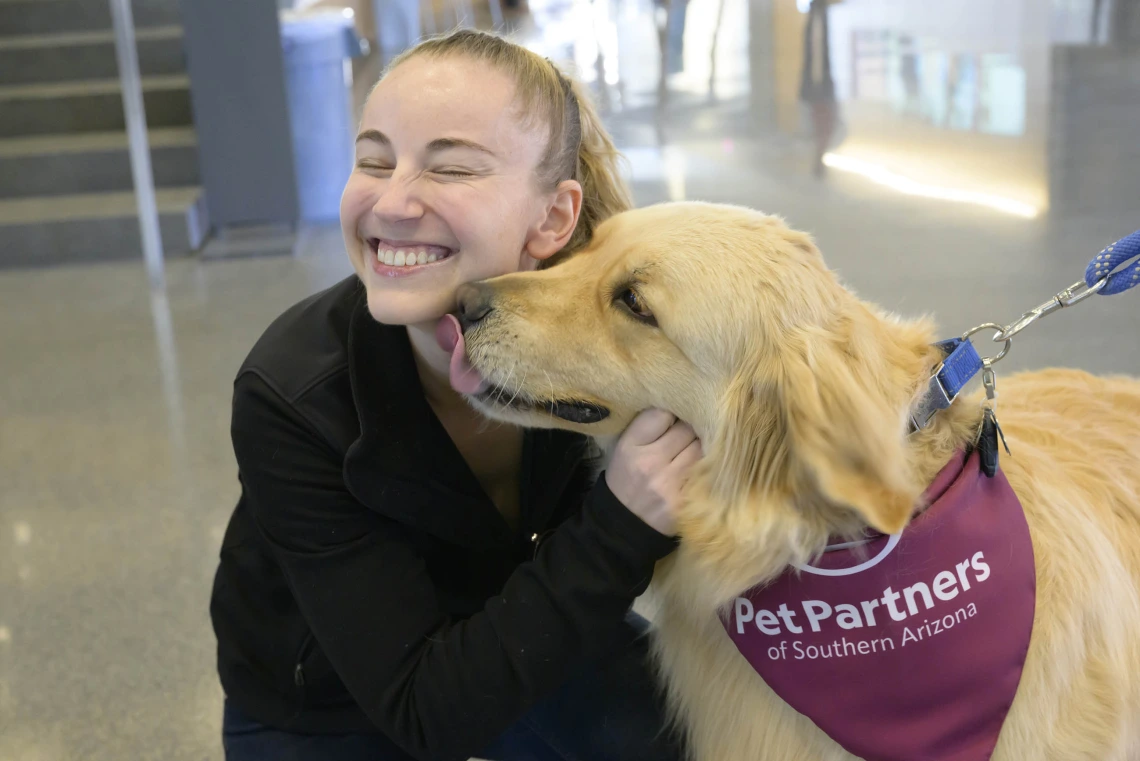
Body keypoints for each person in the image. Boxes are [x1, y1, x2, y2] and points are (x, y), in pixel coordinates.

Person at [210, 28, 702, 761]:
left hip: (520, 612)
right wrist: (622, 522)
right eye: (373, 159)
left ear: (554, 218)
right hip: (325, 703)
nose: (394, 201)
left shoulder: (611, 338)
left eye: (452, 169)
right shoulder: (291, 394)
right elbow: (423, 710)